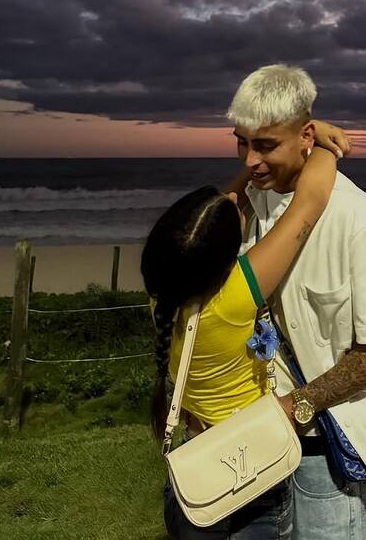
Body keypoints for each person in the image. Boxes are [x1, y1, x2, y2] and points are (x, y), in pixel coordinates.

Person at [226, 64, 366, 540]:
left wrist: (296, 409)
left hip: (326, 451)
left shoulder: (361, 221)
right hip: (256, 448)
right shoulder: (252, 200)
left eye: (266, 145)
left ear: (305, 136)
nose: (251, 160)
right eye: (241, 142)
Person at [141, 123, 350, 540]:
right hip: (252, 462)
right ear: (223, 256)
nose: (239, 201)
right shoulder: (237, 295)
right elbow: (310, 201)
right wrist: (317, 141)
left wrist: (292, 136)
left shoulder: (162, 294)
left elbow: (226, 202)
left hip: (195, 460)